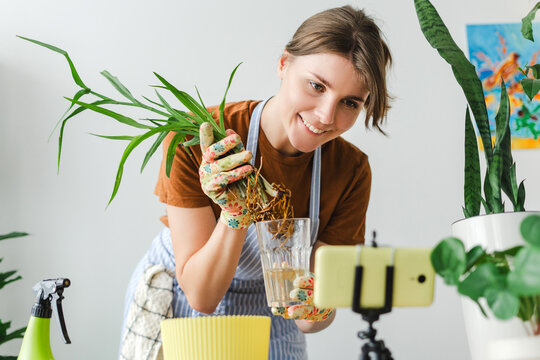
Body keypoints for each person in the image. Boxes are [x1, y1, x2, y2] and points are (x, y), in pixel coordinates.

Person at [120, 4, 392, 360]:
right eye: (316, 85)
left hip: (273, 308)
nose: (326, 116)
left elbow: (312, 318)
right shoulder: (201, 139)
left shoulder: (351, 172)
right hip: (182, 299)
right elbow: (202, 297)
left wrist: (316, 307)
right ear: (283, 64)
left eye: (350, 103)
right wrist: (235, 212)